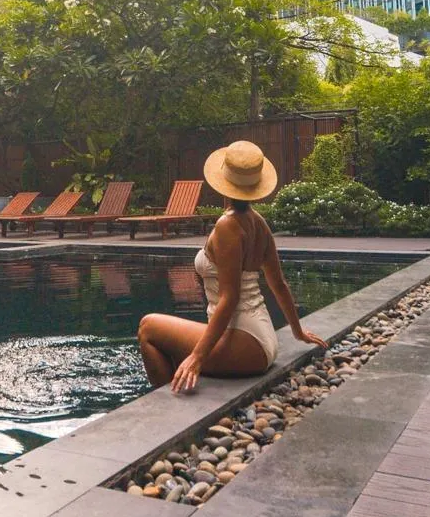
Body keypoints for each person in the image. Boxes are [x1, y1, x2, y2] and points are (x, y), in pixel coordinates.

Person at [137, 141, 328, 393]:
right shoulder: (259, 223)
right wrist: (297, 331)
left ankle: (166, 402)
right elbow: (279, 284)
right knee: (169, 344)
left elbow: (230, 297)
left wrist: (197, 356)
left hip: (245, 343)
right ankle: (175, 387)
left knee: (148, 327)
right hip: (263, 339)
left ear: (222, 181)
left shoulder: (228, 226)